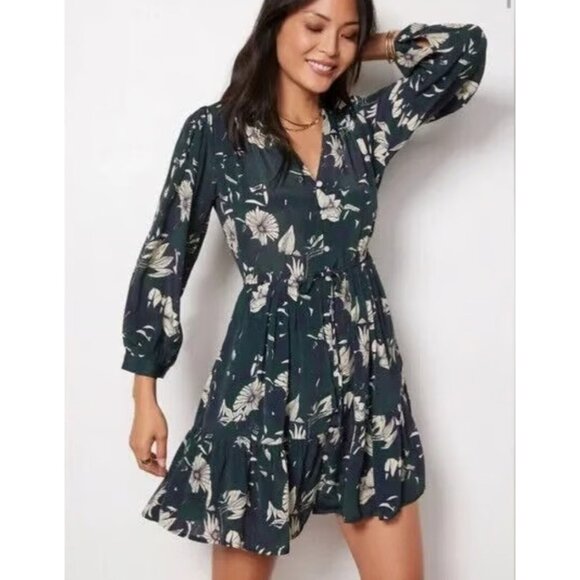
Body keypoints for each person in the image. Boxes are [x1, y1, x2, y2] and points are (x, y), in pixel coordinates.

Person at [121, 0, 487, 578]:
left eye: (347, 34)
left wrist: (364, 46)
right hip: (259, 385)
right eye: (315, 27)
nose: (329, 48)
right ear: (274, 26)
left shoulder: (362, 130)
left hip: (364, 380)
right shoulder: (216, 132)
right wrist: (145, 396)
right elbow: (165, 256)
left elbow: (463, 52)